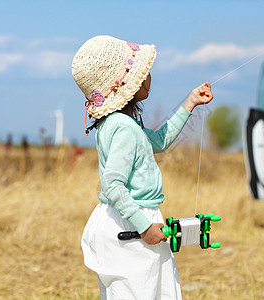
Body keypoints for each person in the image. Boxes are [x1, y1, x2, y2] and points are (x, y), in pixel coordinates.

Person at [71, 35, 213, 299]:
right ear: (128, 85)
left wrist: (189, 103)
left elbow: (159, 142)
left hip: (122, 217)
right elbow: (113, 184)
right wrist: (144, 228)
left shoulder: (115, 124)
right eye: (143, 73)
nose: (148, 77)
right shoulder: (124, 128)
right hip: (132, 221)